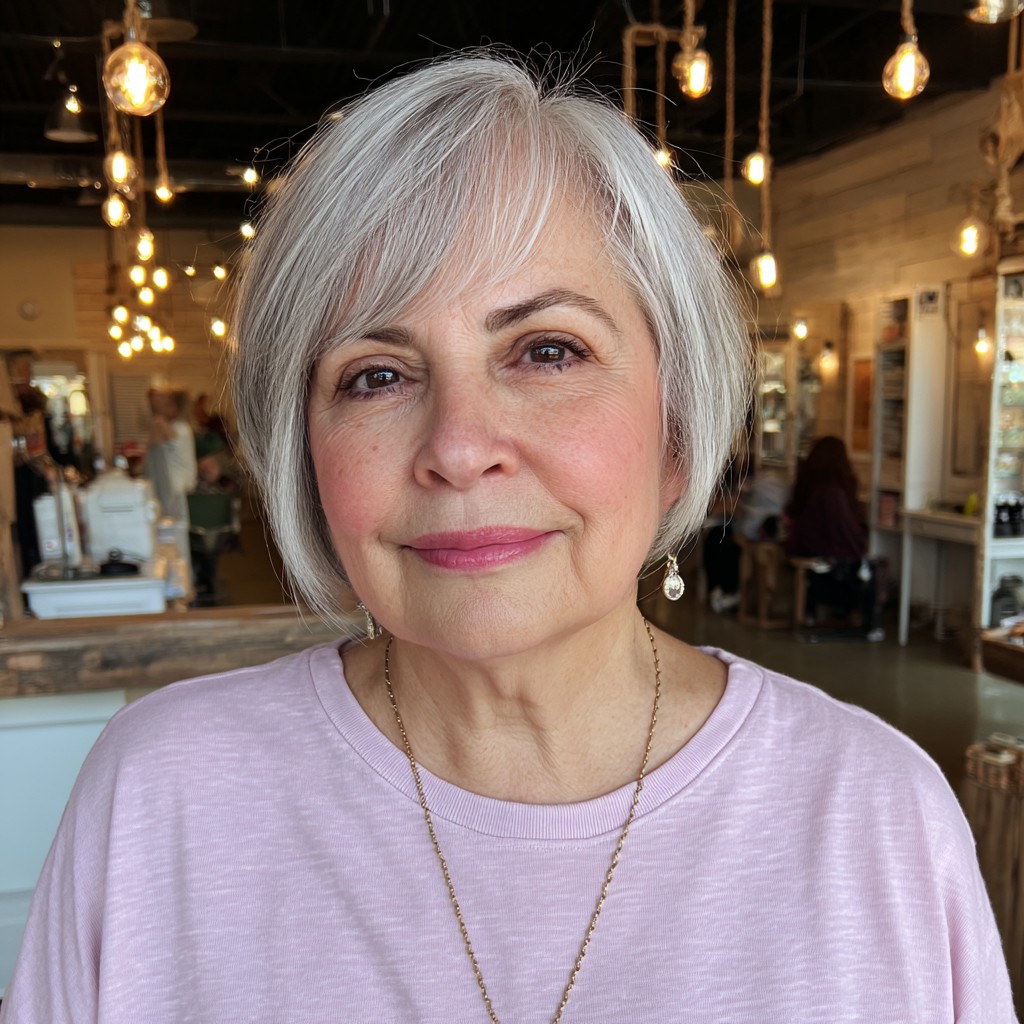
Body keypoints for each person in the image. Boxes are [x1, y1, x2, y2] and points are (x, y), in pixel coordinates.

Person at [1, 56, 1013, 1023]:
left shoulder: (875, 819)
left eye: (547, 350)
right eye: (377, 374)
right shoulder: (160, 801)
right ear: (305, 454)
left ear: (675, 430)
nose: (458, 447)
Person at [785, 435, 882, 637]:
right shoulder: (834, 492)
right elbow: (844, 532)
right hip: (822, 547)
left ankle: (815, 611)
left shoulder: (808, 484)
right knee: (869, 568)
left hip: (801, 544)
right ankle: (868, 624)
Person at [143, 387, 197, 522]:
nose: (164, 406)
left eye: (168, 403)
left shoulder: (178, 427)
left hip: (175, 488)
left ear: (175, 407)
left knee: (174, 527)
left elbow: (154, 443)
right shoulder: (178, 426)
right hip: (177, 486)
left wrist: (157, 411)